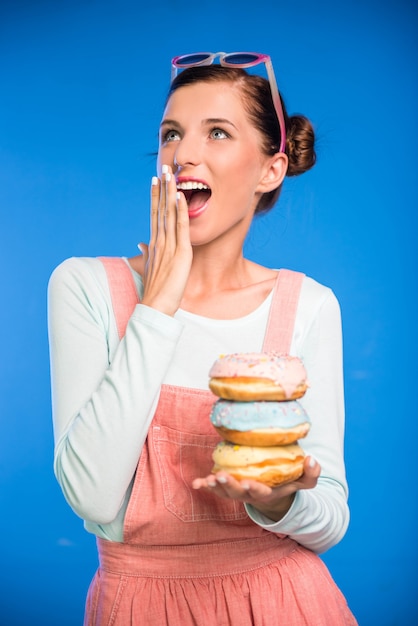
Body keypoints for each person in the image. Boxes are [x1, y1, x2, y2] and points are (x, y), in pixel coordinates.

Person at [48, 52, 357, 625]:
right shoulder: (86, 287)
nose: (182, 153)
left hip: (285, 603)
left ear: (271, 169)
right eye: (171, 134)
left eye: (217, 132)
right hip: (138, 605)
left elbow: (332, 517)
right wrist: (158, 303)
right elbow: (91, 496)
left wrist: (281, 501)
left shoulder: (308, 307)